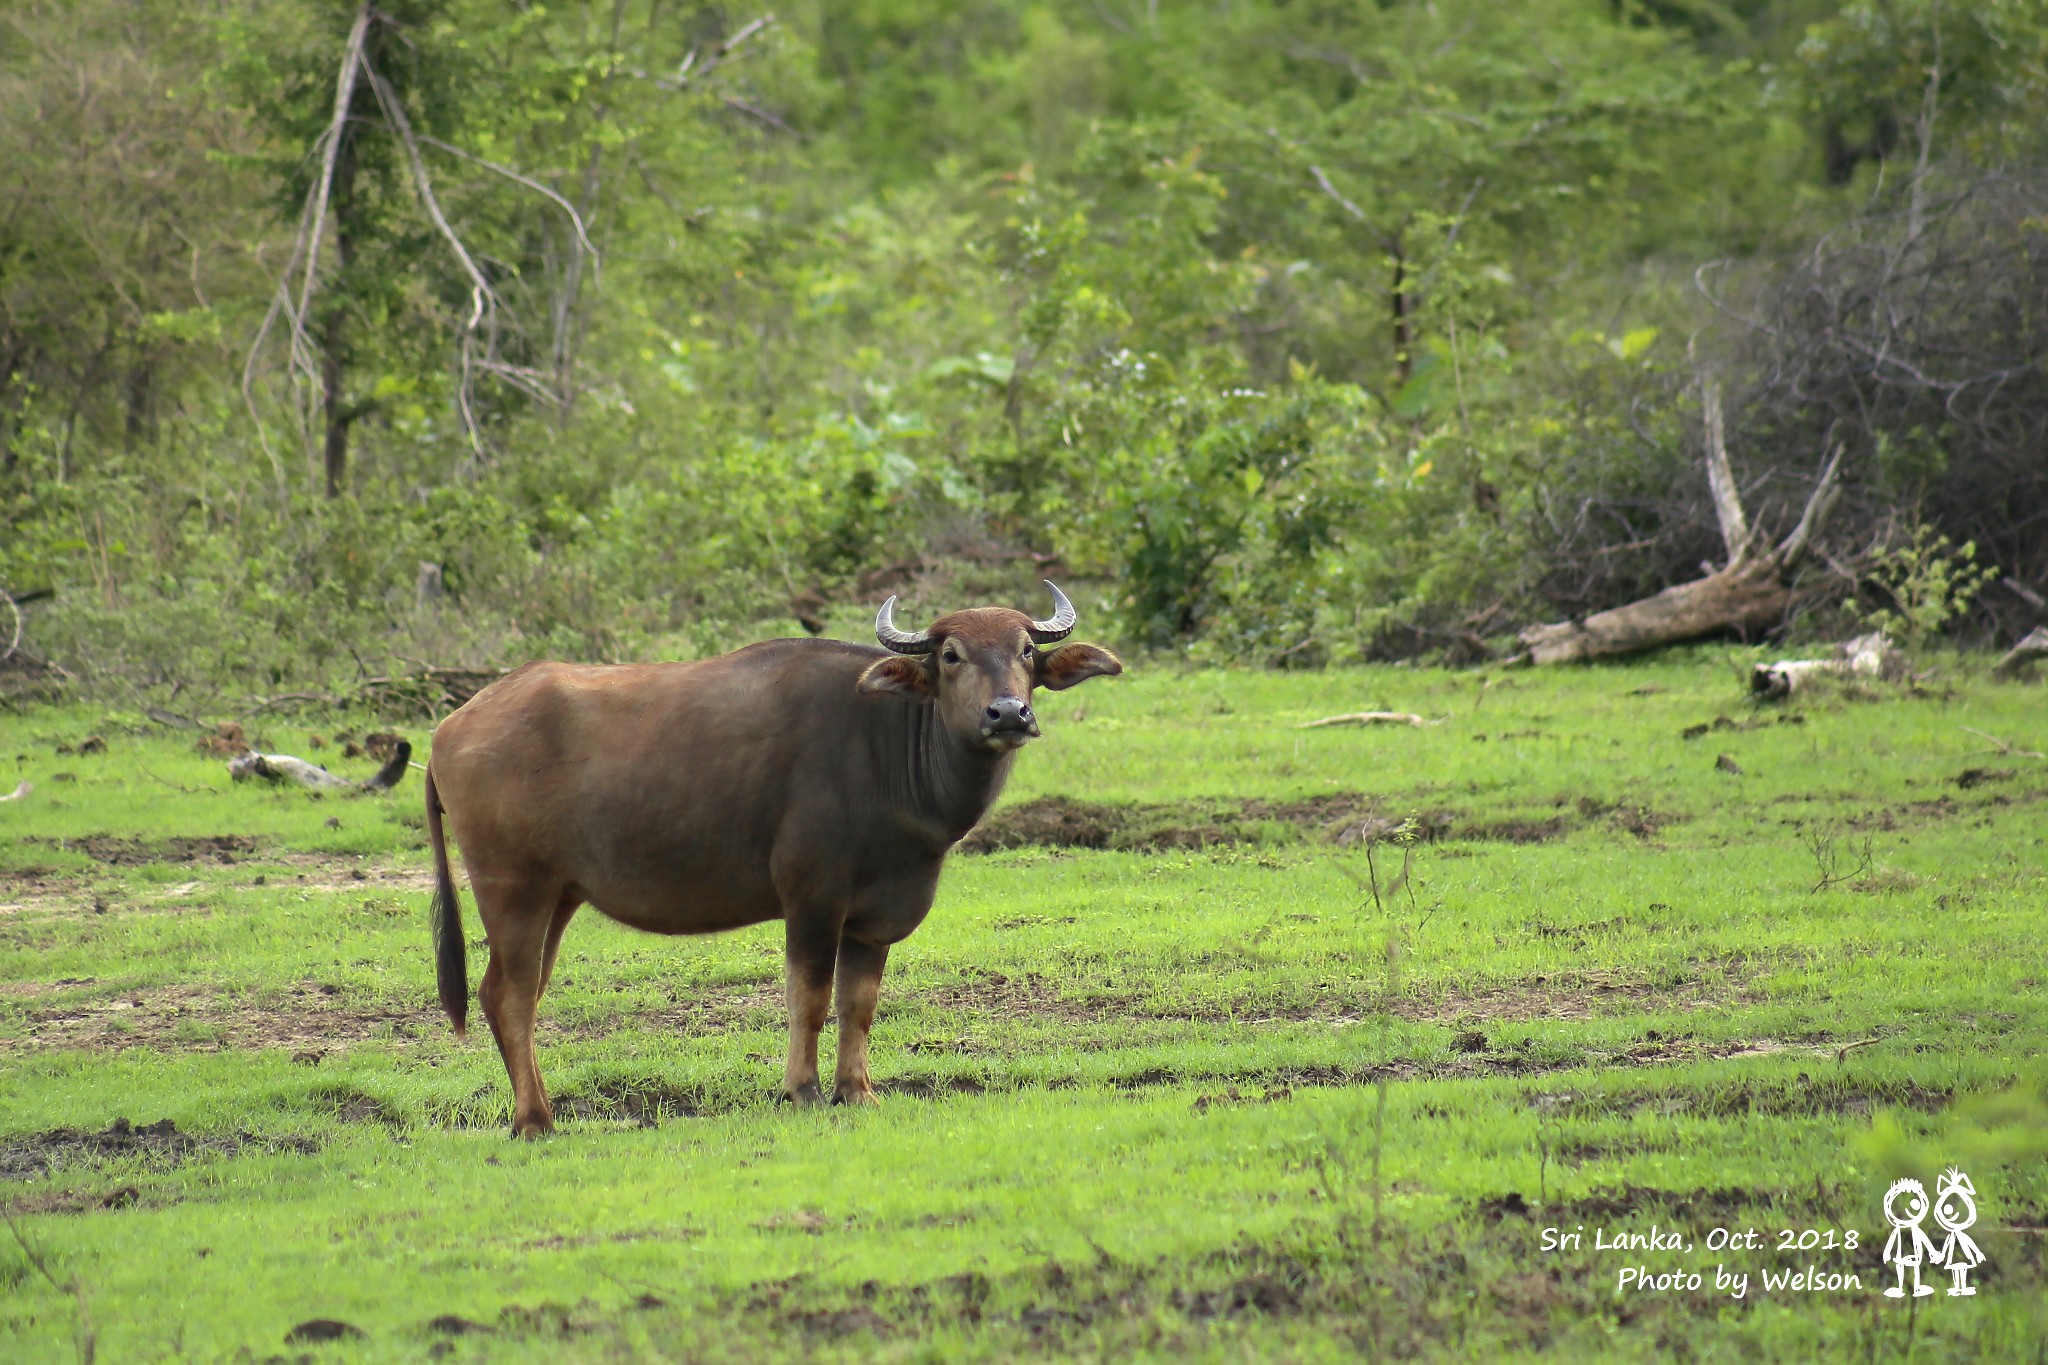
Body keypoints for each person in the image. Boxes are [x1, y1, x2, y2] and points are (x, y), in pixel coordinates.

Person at [1882, 1177, 1940, 1298]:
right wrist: (1887, 1252)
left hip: (1913, 1253)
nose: (1906, 1211)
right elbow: (1892, 1239)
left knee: (1915, 1268)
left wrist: (1933, 1251)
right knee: (1901, 1267)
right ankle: (1900, 1287)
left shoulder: (1914, 1229)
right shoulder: (1898, 1229)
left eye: (1913, 1205)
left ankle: (1916, 1286)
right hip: (1900, 1253)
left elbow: (1924, 1239)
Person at [1932, 1168, 1984, 1297]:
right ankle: (1958, 1287)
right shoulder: (1952, 1235)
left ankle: (1963, 1287)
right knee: (1956, 1270)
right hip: (1954, 1255)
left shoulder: (1960, 1234)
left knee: (1962, 1268)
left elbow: (1969, 1243)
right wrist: (1941, 1254)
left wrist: (1977, 1253)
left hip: (1961, 1254)